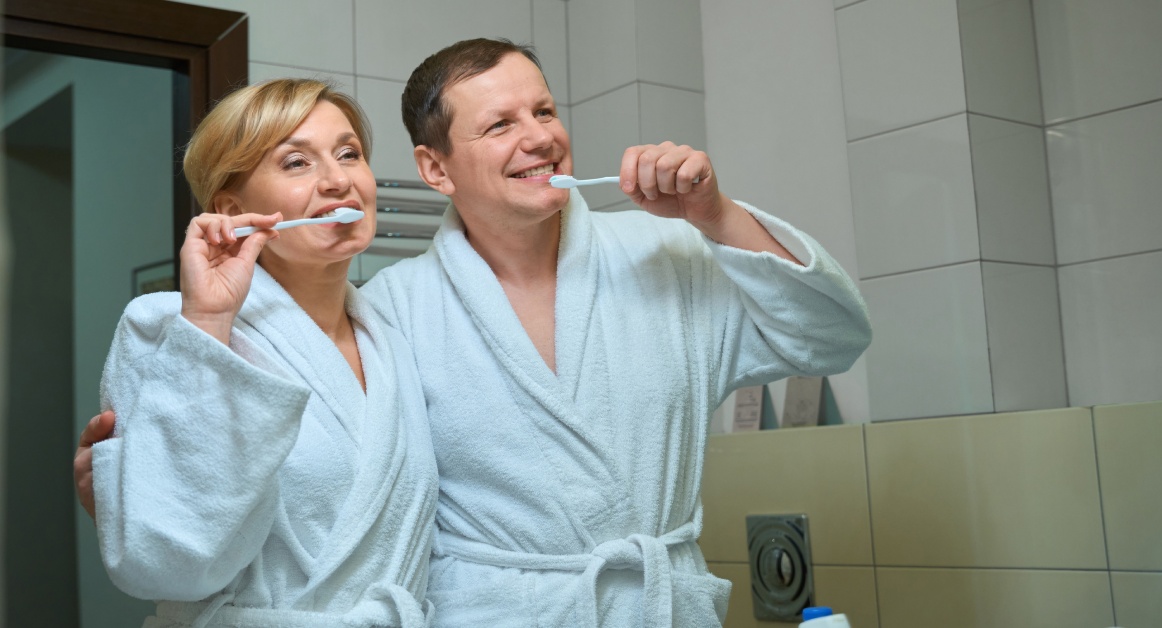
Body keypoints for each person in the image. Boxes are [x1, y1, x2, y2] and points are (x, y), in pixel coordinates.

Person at [78, 38, 872, 626]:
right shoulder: (392, 308)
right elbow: (180, 542)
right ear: (435, 169)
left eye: (546, 111)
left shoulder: (387, 324)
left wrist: (715, 215)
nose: (537, 136)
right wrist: (143, 484)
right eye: (499, 124)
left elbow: (831, 338)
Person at [87, 78, 438, 627]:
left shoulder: (394, 339)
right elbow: (164, 561)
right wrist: (208, 320)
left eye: (349, 154)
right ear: (231, 208)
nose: (338, 179)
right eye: (297, 163)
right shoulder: (167, 328)